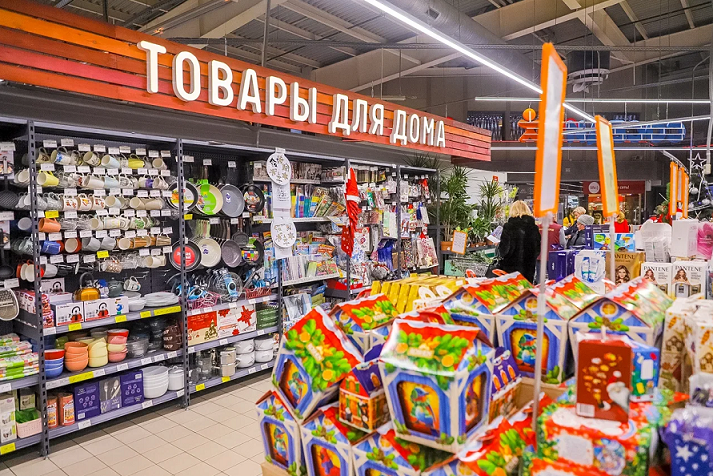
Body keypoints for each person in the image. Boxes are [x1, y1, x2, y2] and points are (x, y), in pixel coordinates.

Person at [495, 200, 540, 283]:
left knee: (511, 290)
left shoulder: (509, 227)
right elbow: (537, 249)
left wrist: (499, 247)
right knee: (526, 290)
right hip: (528, 270)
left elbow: (504, 250)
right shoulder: (533, 228)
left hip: (510, 269)